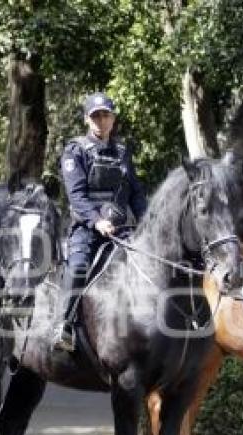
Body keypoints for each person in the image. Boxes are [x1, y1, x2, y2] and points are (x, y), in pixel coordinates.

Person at [52, 92, 148, 352]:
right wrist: (96, 221)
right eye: (96, 116)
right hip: (86, 229)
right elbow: (77, 196)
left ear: (113, 119)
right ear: (87, 119)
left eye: (106, 115)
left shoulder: (123, 152)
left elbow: (136, 192)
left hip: (121, 229)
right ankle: (64, 325)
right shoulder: (75, 150)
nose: (101, 121)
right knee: (79, 267)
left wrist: (146, 222)